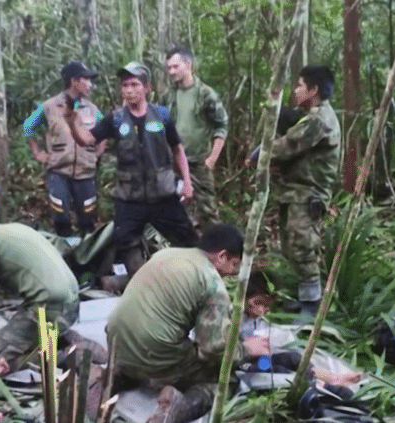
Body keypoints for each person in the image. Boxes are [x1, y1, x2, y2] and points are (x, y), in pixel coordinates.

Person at [106, 223, 270, 423]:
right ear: (222, 256)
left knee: (165, 348)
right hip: (155, 354)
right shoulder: (211, 283)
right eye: (234, 264)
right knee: (224, 381)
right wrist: (246, 350)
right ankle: (176, 409)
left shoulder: (167, 254)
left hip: (116, 343)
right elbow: (212, 349)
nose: (233, 272)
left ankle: (113, 376)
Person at [67, 61, 198, 276]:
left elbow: (177, 149)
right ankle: (141, 281)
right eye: (125, 85)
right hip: (130, 197)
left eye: (134, 84)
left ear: (147, 88)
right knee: (125, 241)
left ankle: (193, 279)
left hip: (163, 194)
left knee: (187, 240)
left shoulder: (162, 115)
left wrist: (187, 182)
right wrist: (73, 123)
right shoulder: (116, 118)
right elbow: (87, 139)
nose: (129, 90)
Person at [0, 207, 80, 375]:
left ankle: (65, 355)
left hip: (47, 309)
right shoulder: (12, 229)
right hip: (71, 305)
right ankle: (58, 341)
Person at [265, 65, 341, 317]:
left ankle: (311, 306)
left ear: (314, 90)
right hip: (295, 191)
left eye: (299, 85)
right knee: (289, 246)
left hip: (308, 194)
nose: (295, 90)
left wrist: (261, 154)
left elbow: (285, 147)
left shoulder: (319, 120)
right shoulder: (309, 115)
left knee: (303, 247)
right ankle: (302, 297)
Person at [23, 61, 104, 236]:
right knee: (60, 217)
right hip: (58, 171)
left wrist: (98, 153)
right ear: (74, 81)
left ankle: (87, 257)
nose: (90, 85)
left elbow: (104, 129)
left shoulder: (92, 109)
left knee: (88, 219)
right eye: (87, 80)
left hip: (85, 172)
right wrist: (37, 152)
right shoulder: (50, 106)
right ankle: (63, 254)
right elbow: (28, 126)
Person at [240, 271, 362, 386]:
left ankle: (333, 379)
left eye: (266, 306)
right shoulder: (232, 318)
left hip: (262, 360)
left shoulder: (255, 320)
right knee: (278, 370)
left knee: (294, 358)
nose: (261, 310)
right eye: (256, 303)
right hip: (244, 366)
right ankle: (323, 386)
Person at [161, 46, 229, 230]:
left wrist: (212, 159)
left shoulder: (206, 94)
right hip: (174, 163)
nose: (171, 72)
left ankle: (216, 252)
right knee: (176, 211)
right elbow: (159, 125)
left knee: (208, 211)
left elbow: (221, 125)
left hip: (199, 163)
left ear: (188, 64)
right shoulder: (168, 96)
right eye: (169, 68)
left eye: (175, 67)